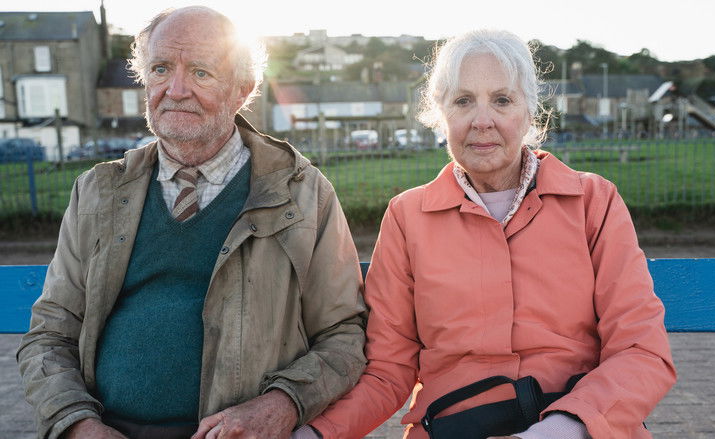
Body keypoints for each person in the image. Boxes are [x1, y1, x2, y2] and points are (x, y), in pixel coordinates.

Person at [302, 30, 677, 439]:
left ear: (530, 113)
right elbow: (388, 372)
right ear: (441, 114)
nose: (482, 121)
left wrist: (560, 430)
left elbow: (641, 351)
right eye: (463, 101)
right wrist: (315, 434)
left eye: (502, 100)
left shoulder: (593, 201)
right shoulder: (407, 217)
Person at [17, 7, 366, 439]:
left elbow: (345, 335)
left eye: (201, 72)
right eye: (161, 69)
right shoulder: (96, 192)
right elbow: (49, 337)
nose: (175, 90)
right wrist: (78, 424)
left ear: (242, 90)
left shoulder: (302, 193)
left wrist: (281, 405)